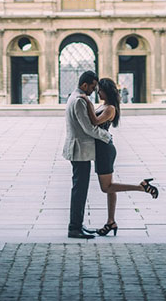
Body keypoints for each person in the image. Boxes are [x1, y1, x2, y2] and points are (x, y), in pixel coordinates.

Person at [79, 78, 159, 237]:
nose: (97, 92)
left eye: (99, 89)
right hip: (102, 148)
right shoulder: (103, 106)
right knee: (111, 187)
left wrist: (87, 102)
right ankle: (111, 222)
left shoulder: (110, 109)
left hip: (105, 150)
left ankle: (141, 187)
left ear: (106, 91)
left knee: (106, 187)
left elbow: (94, 122)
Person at [63, 71, 112, 239]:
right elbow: (88, 128)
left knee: (80, 189)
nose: (94, 90)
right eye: (92, 86)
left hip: (80, 150)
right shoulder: (79, 101)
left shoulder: (75, 97)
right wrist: (107, 137)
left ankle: (78, 224)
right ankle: (74, 227)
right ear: (84, 85)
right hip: (80, 151)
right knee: (79, 190)